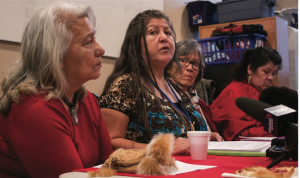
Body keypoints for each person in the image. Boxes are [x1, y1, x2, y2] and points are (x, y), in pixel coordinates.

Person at [0, 2, 113, 178]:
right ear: (57, 56)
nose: (101, 49)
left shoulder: (87, 99)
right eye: (88, 42)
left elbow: (109, 164)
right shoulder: (34, 110)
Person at [99, 10, 217, 156]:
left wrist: (205, 136)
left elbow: (183, 132)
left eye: (168, 33)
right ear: (136, 43)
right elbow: (110, 142)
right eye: (153, 32)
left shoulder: (175, 87)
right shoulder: (125, 84)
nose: (164, 38)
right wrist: (162, 148)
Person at [210, 46, 283, 141]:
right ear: (250, 69)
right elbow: (240, 134)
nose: (271, 78)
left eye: (274, 74)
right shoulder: (234, 92)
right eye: (266, 72)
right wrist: (281, 133)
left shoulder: (261, 93)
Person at [167, 39, 223, 141]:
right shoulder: (160, 98)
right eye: (183, 60)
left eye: (196, 64)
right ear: (168, 66)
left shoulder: (200, 104)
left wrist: (210, 135)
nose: (190, 68)